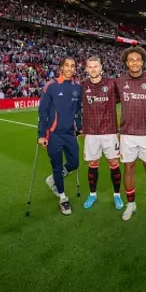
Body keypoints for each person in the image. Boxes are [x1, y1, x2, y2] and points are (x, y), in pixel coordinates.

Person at [116, 47, 146, 222]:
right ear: (126, 63)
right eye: (131, 60)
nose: (134, 62)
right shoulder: (119, 82)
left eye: (137, 59)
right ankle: (131, 204)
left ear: (142, 62)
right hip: (127, 133)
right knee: (128, 169)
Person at [37, 57, 83, 216]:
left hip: (70, 133)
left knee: (75, 163)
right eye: (67, 65)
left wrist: (80, 126)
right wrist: (41, 134)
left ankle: (53, 180)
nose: (70, 68)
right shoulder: (51, 86)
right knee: (56, 166)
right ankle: (63, 198)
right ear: (61, 68)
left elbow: (77, 110)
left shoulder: (78, 87)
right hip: (53, 134)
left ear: (75, 69)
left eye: (73, 66)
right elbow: (42, 112)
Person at [80, 56, 123, 210]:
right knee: (93, 164)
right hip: (91, 132)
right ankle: (92, 195)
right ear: (86, 69)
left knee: (113, 163)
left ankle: (117, 195)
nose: (93, 69)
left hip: (109, 131)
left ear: (101, 68)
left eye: (96, 66)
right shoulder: (83, 85)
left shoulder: (112, 83)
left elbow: (123, 98)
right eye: (90, 67)